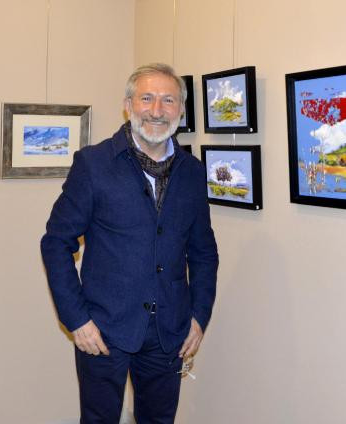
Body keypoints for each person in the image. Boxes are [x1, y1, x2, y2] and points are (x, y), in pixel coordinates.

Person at [41, 63, 219, 423]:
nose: (157, 110)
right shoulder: (94, 164)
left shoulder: (192, 171)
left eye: (168, 100)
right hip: (102, 330)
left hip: (170, 331)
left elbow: (203, 253)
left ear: (181, 109)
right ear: (128, 105)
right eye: (147, 98)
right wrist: (77, 320)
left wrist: (199, 317)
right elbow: (56, 243)